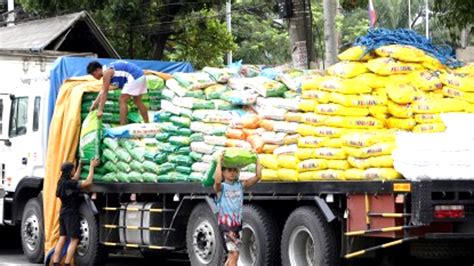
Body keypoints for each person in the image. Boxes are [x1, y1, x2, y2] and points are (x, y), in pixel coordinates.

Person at [214, 152, 261, 266]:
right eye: (229, 170)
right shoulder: (221, 188)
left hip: (237, 226)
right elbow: (217, 181)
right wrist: (219, 162)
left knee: (234, 255)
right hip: (226, 227)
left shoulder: (240, 186)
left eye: (235, 170)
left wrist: (257, 160)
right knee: (233, 254)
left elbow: (258, 177)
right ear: (223, 172)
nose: (232, 173)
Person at [52, 158, 100, 266]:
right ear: (69, 171)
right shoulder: (70, 184)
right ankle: (67, 263)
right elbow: (88, 182)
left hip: (63, 213)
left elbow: (74, 179)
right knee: (74, 239)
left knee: (62, 238)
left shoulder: (61, 182)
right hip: (71, 214)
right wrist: (91, 166)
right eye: (73, 169)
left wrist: (80, 165)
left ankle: (55, 263)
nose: (74, 171)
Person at [87, 60, 149, 125]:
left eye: (93, 74)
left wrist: (100, 110)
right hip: (140, 76)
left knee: (122, 100)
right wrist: (94, 105)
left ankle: (122, 127)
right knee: (137, 101)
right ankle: (147, 123)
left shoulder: (106, 72)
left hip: (134, 77)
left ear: (98, 70)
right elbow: (102, 91)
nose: (94, 77)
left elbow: (104, 92)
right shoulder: (108, 68)